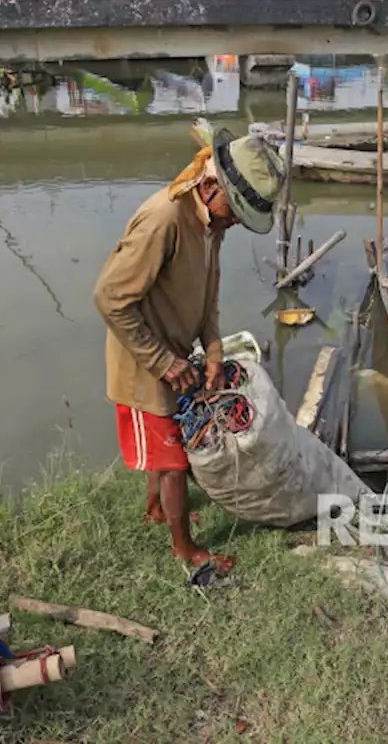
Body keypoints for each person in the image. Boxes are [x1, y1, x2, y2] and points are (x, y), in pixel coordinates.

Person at [93, 130, 283, 571]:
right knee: (175, 459)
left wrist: (213, 353)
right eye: (234, 210)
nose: (234, 221)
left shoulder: (210, 225)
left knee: (168, 446)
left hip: (175, 354)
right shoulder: (164, 219)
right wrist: (161, 361)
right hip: (143, 360)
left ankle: (158, 508)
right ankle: (184, 547)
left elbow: (207, 297)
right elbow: (109, 298)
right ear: (211, 186)